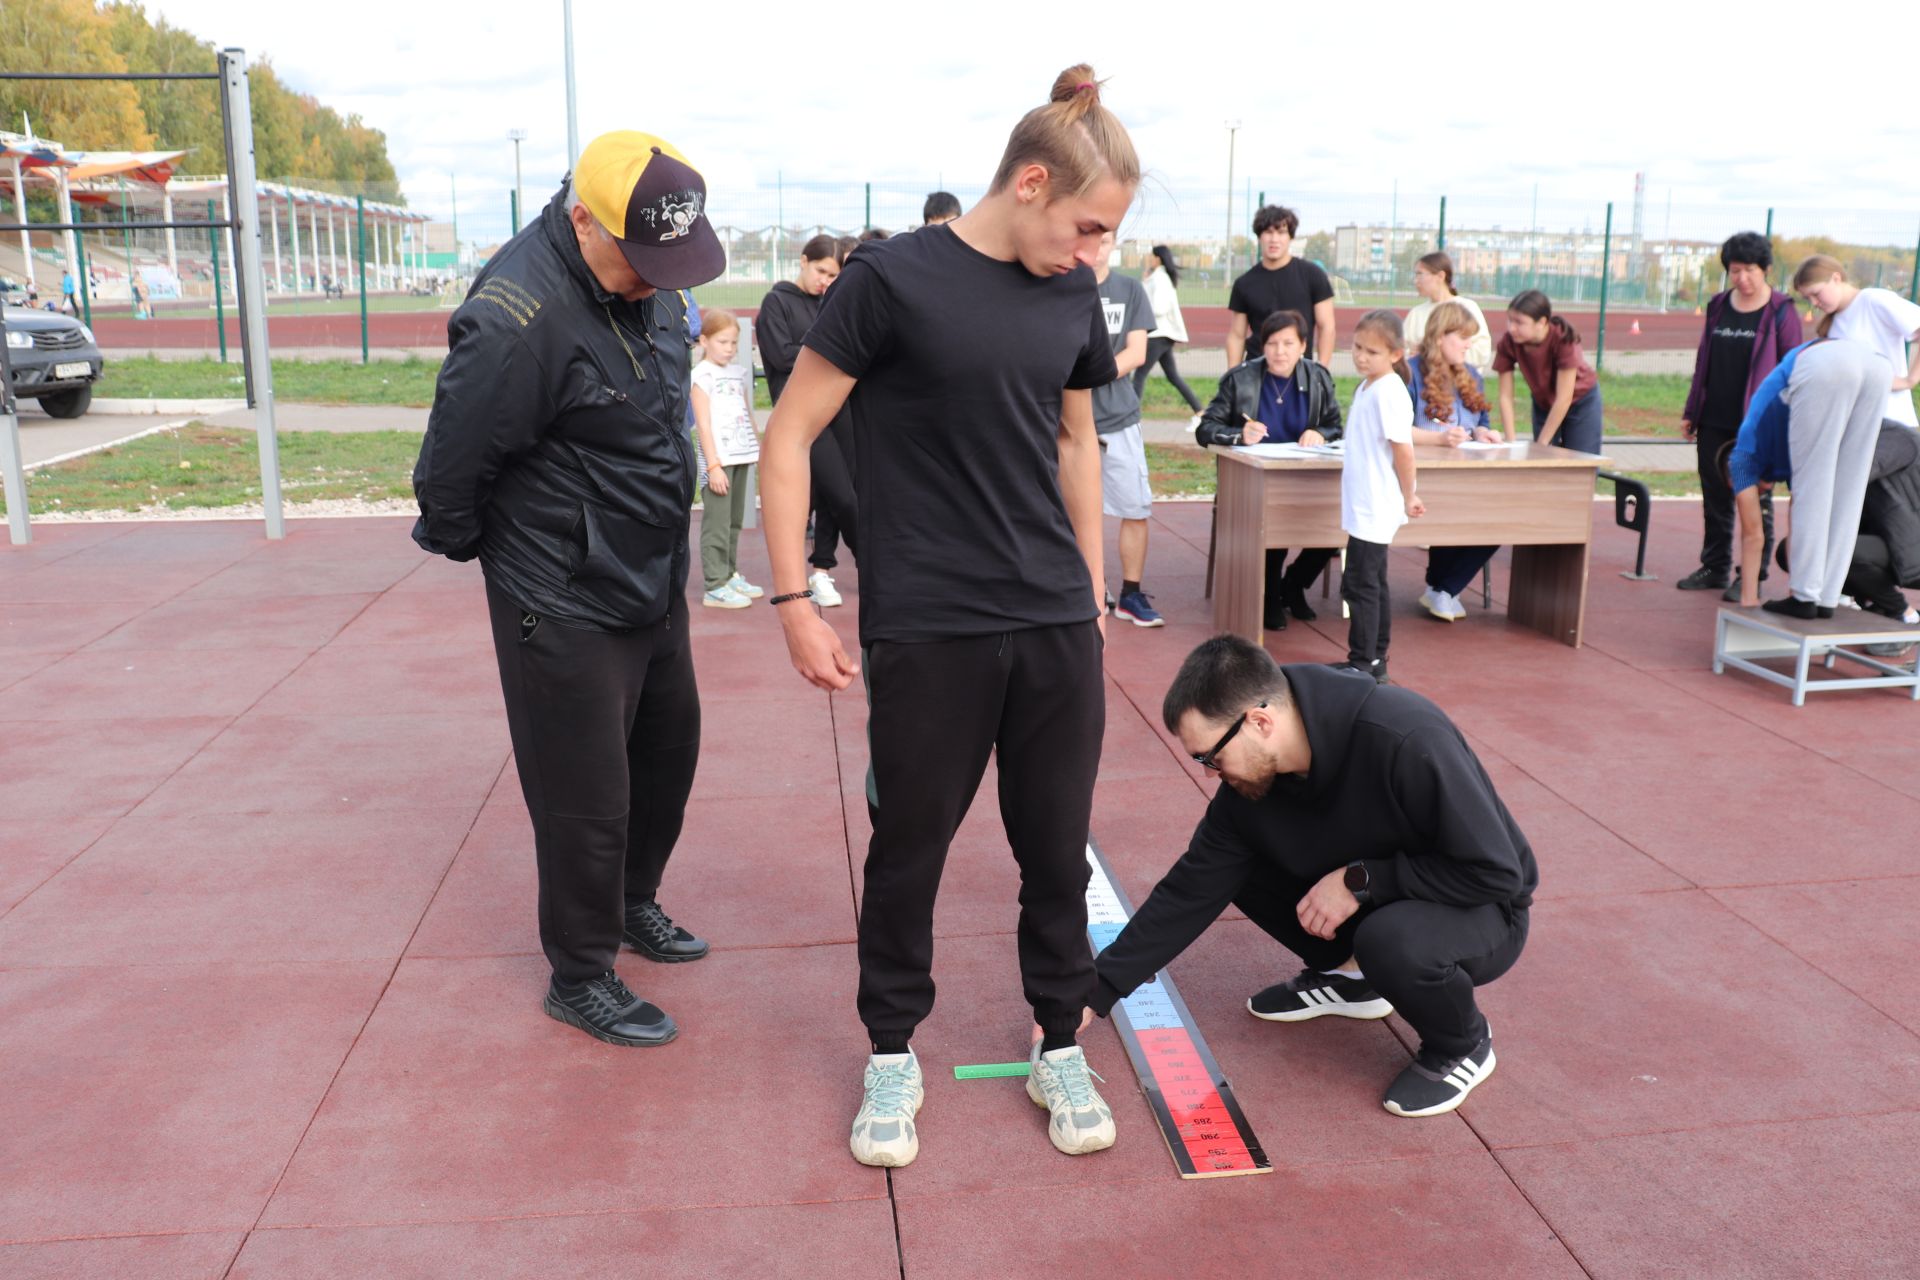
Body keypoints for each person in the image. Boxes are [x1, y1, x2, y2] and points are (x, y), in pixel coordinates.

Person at [760, 63, 1137, 1169]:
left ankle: (1057, 1038)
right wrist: (792, 600)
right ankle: (891, 1051)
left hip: (1054, 619)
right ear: (1030, 181)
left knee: (1055, 850)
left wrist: (1093, 588)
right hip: (928, 621)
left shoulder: (1070, 291)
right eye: (1086, 225)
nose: (1092, 252)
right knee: (910, 848)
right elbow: (788, 439)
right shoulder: (890, 281)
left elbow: (1078, 442)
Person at [411, 131, 724, 1049]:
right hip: (563, 589)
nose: (658, 280)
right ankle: (580, 972)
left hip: (651, 568)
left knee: (669, 755)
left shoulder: (653, 280)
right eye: (642, 261)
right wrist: (522, 569)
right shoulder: (517, 315)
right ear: (583, 218)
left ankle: (633, 902)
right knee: (587, 795)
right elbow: (450, 471)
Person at [1091, 634, 1534, 1117]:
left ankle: (1463, 1042)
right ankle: (1356, 979)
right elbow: (1192, 886)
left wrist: (1362, 882)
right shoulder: (1250, 788)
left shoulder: (1404, 736)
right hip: (1385, 895)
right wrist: (1098, 991)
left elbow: (1496, 874)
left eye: (1209, 756)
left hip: (1483, 910)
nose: (1208, 772)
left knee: (1392, 940)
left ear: (1260, 721)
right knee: (1236, 866)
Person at [1194, 309, 1343, 631]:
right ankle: (1271, 595)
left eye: (1289, 343)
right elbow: (1205, 429)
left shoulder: (1318, 377)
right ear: (1263, 346)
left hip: (1307, 476)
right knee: (1271, 518)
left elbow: (1335, 427)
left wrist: (1320, 432)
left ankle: (1295, 584)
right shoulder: (1241, 378)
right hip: (1256, 480)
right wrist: (1239, 435)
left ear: (1303, 345)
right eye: (1273, 343)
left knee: (1337, 520)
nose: (1280, 351)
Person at [1676, 232, 1801, 597]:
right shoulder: (1717, 305)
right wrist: (1691, 410)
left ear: (1765, 269)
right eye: (1734, 271)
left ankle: (1751, 575)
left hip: (1757, 424)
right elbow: (1704, 360)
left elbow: (1793, 368)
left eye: (1749, 271)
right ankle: (1714, 566)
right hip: (1715, 415)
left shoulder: (1781, 310)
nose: (1742, 279)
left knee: (1754, 497)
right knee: (1714, 494)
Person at [1731, 339, 1892, 617]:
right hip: (1875, 364)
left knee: (1814, 490)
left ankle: (1805, 598)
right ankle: (1826, 597)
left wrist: (1748, 605)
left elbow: (1752, 534)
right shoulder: (1782, 455)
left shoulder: (1741, 460)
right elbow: (1800, 519)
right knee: (1847, 489)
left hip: (1824, 364)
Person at [755, 235, 852, 607]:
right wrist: (826, 351)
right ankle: (801, 580)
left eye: (832, 274)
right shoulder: (776, 301)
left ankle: (821, 571)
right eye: (821, 270)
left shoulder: (829, 303)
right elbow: (780, 356)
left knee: (834, 496)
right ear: (803, 261)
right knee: (832, 498)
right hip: (796, 415)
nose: (825, 280)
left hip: (835, 408)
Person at [1338, 310, 1423, 683]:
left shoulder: (1388, 391)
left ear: (1395, 354)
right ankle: (1375, 657)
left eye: (1371, 352)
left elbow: (1403, 450)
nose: (1360, 356)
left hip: (1376, 505)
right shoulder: (1367, 386)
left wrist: (1410, 495)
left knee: (1360, 584)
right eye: (1357, 347)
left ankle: (1363, 661)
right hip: (1363, 503)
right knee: (1370, 581)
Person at [1407, 301, 1501, 622]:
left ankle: (1442, 588)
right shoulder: (1409, 373)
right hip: (1424, 476)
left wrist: (1485, 432)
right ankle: (1443, 590)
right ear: (1439, 337)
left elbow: (1481, 417)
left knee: (1499, 520)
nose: (1468, 344)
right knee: (1450, 517)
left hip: (1470, 474)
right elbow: (1395, 429)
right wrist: (1438, 439)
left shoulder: (1471, 374)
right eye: (1462, 337)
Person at [1092, 229, 1161, 625]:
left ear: (1113, 242)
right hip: (1067, 422)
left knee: (1134, 508)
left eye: (1105, 239)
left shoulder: (1130, 289)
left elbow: (1136, 352)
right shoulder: (1060, 285)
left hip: (1118, 420)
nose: (1097, 247)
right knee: (1073, 513)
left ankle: (1131, 594)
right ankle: (1092, 588)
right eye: (1091, 237)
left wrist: (1090, 374)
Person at [1792, 254, 1920, 431]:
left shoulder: (1872, 300)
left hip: (1889, 424)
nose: (1814, 303)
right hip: (1851, 426)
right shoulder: (1833, 323)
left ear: (1836, 278)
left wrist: (1909, 380)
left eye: (1816, 293)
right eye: (1808, 298)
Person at [691, 309, 763, 608]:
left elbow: (746, 412)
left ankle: (730, 573)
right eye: (723, 342)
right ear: (704, 341)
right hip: (717, 461)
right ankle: (714, 585)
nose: (729, 349)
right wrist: (714, 465)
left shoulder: (737, 373)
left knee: (733, 521)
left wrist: (757, 447)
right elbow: (703, 424)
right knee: (717, 523)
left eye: (734, 343)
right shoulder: (701, 376)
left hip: (740, 456)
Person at [1492, 290, 1603, 454]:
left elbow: (1564, 398)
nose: (1512, 328)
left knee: (1580, 461)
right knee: (1544, 462)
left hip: (1580, 401)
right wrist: (1510, 441)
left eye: (1519, 322)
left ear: (1541, 322)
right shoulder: (1509, 342)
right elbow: (1505, 397)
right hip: (1544, 402)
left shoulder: (1563, 339)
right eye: (1510, 321)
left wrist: (1542, 443)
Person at [1226, 205, 1336, 368]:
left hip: (1299, 370)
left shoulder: (1313, 275)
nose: (1274, 239)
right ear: (1259, 236)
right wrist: (1232, 376)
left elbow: (1327, 326)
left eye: (1281, 232)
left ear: (1290, 237)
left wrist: (1321, 370)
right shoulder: (1244, 283)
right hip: (1257, 371)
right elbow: (1237, 335)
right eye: (1268, 232)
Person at [1134, 244, 1203, 421]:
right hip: (1162, 335)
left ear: (1158, 258)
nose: (1149, 259)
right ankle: (1200, 410)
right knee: (1173, 376)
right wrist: (1144, 280)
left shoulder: (1160, 279)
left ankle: (1131, 416)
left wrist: (1144, 285)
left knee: (1140, 375)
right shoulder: (1157, 278)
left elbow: (1159, 307)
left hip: (1158, 334)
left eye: (1151, 256)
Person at [1402, 252, 1492, 371]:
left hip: (1461, 383)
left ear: (1440, 276)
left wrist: (1431, 354)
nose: (1416, 281)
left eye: (1420, 274)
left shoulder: (1467, 308)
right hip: (1422, 384)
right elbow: (1403, 351)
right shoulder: (1416, 314)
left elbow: (1482, 353)